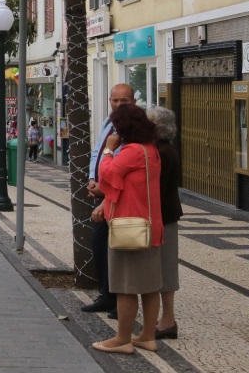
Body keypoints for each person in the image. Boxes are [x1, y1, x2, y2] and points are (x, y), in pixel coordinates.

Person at [89, 103, 164, 354]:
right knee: (149, 285)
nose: (114, 132)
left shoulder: (130, 151)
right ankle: (147, 336)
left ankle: (122, 339)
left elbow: (107, 175)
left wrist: (109, 150)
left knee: (125, 286)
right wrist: (106, 203)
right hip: (150, 225)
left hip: (129, 227)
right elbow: (124, 186)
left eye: (116, 127)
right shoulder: (150, 150)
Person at [82, 83, 135, 317]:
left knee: (119, 251)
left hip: (118, 198)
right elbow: (97, 151)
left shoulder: (134, 129)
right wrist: (92, 179)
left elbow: (124, 169)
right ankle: (106, 295)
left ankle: (119, 302)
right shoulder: (108, 123)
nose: (118, 105)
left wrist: (106, 196)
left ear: (133, 102)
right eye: (115, 100)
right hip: (102, 193)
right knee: (100, 246)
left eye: (124, 101)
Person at [147, 106, 183, 340]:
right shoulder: (162, 149)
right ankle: (164, 319)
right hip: (164, 215)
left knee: (166, 268)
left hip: (164, 217)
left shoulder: (163, 152)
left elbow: (155, 189)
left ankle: (168, 320)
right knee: (162, 267)